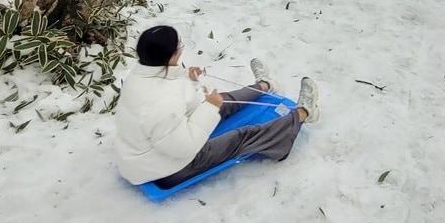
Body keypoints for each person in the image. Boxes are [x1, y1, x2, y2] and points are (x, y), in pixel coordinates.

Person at [114, 25, 319, 190]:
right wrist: (210, 108)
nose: (181, 49)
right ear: (170, 57)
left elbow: (173, 98)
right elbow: (183, 147)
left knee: (222, 101)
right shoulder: (159, 103)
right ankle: (304, 114)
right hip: (167, 167)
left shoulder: (141, 75)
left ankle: (264, 85)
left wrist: (190, 81)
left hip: (148, 153)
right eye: (179, 46)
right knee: (242, 136)